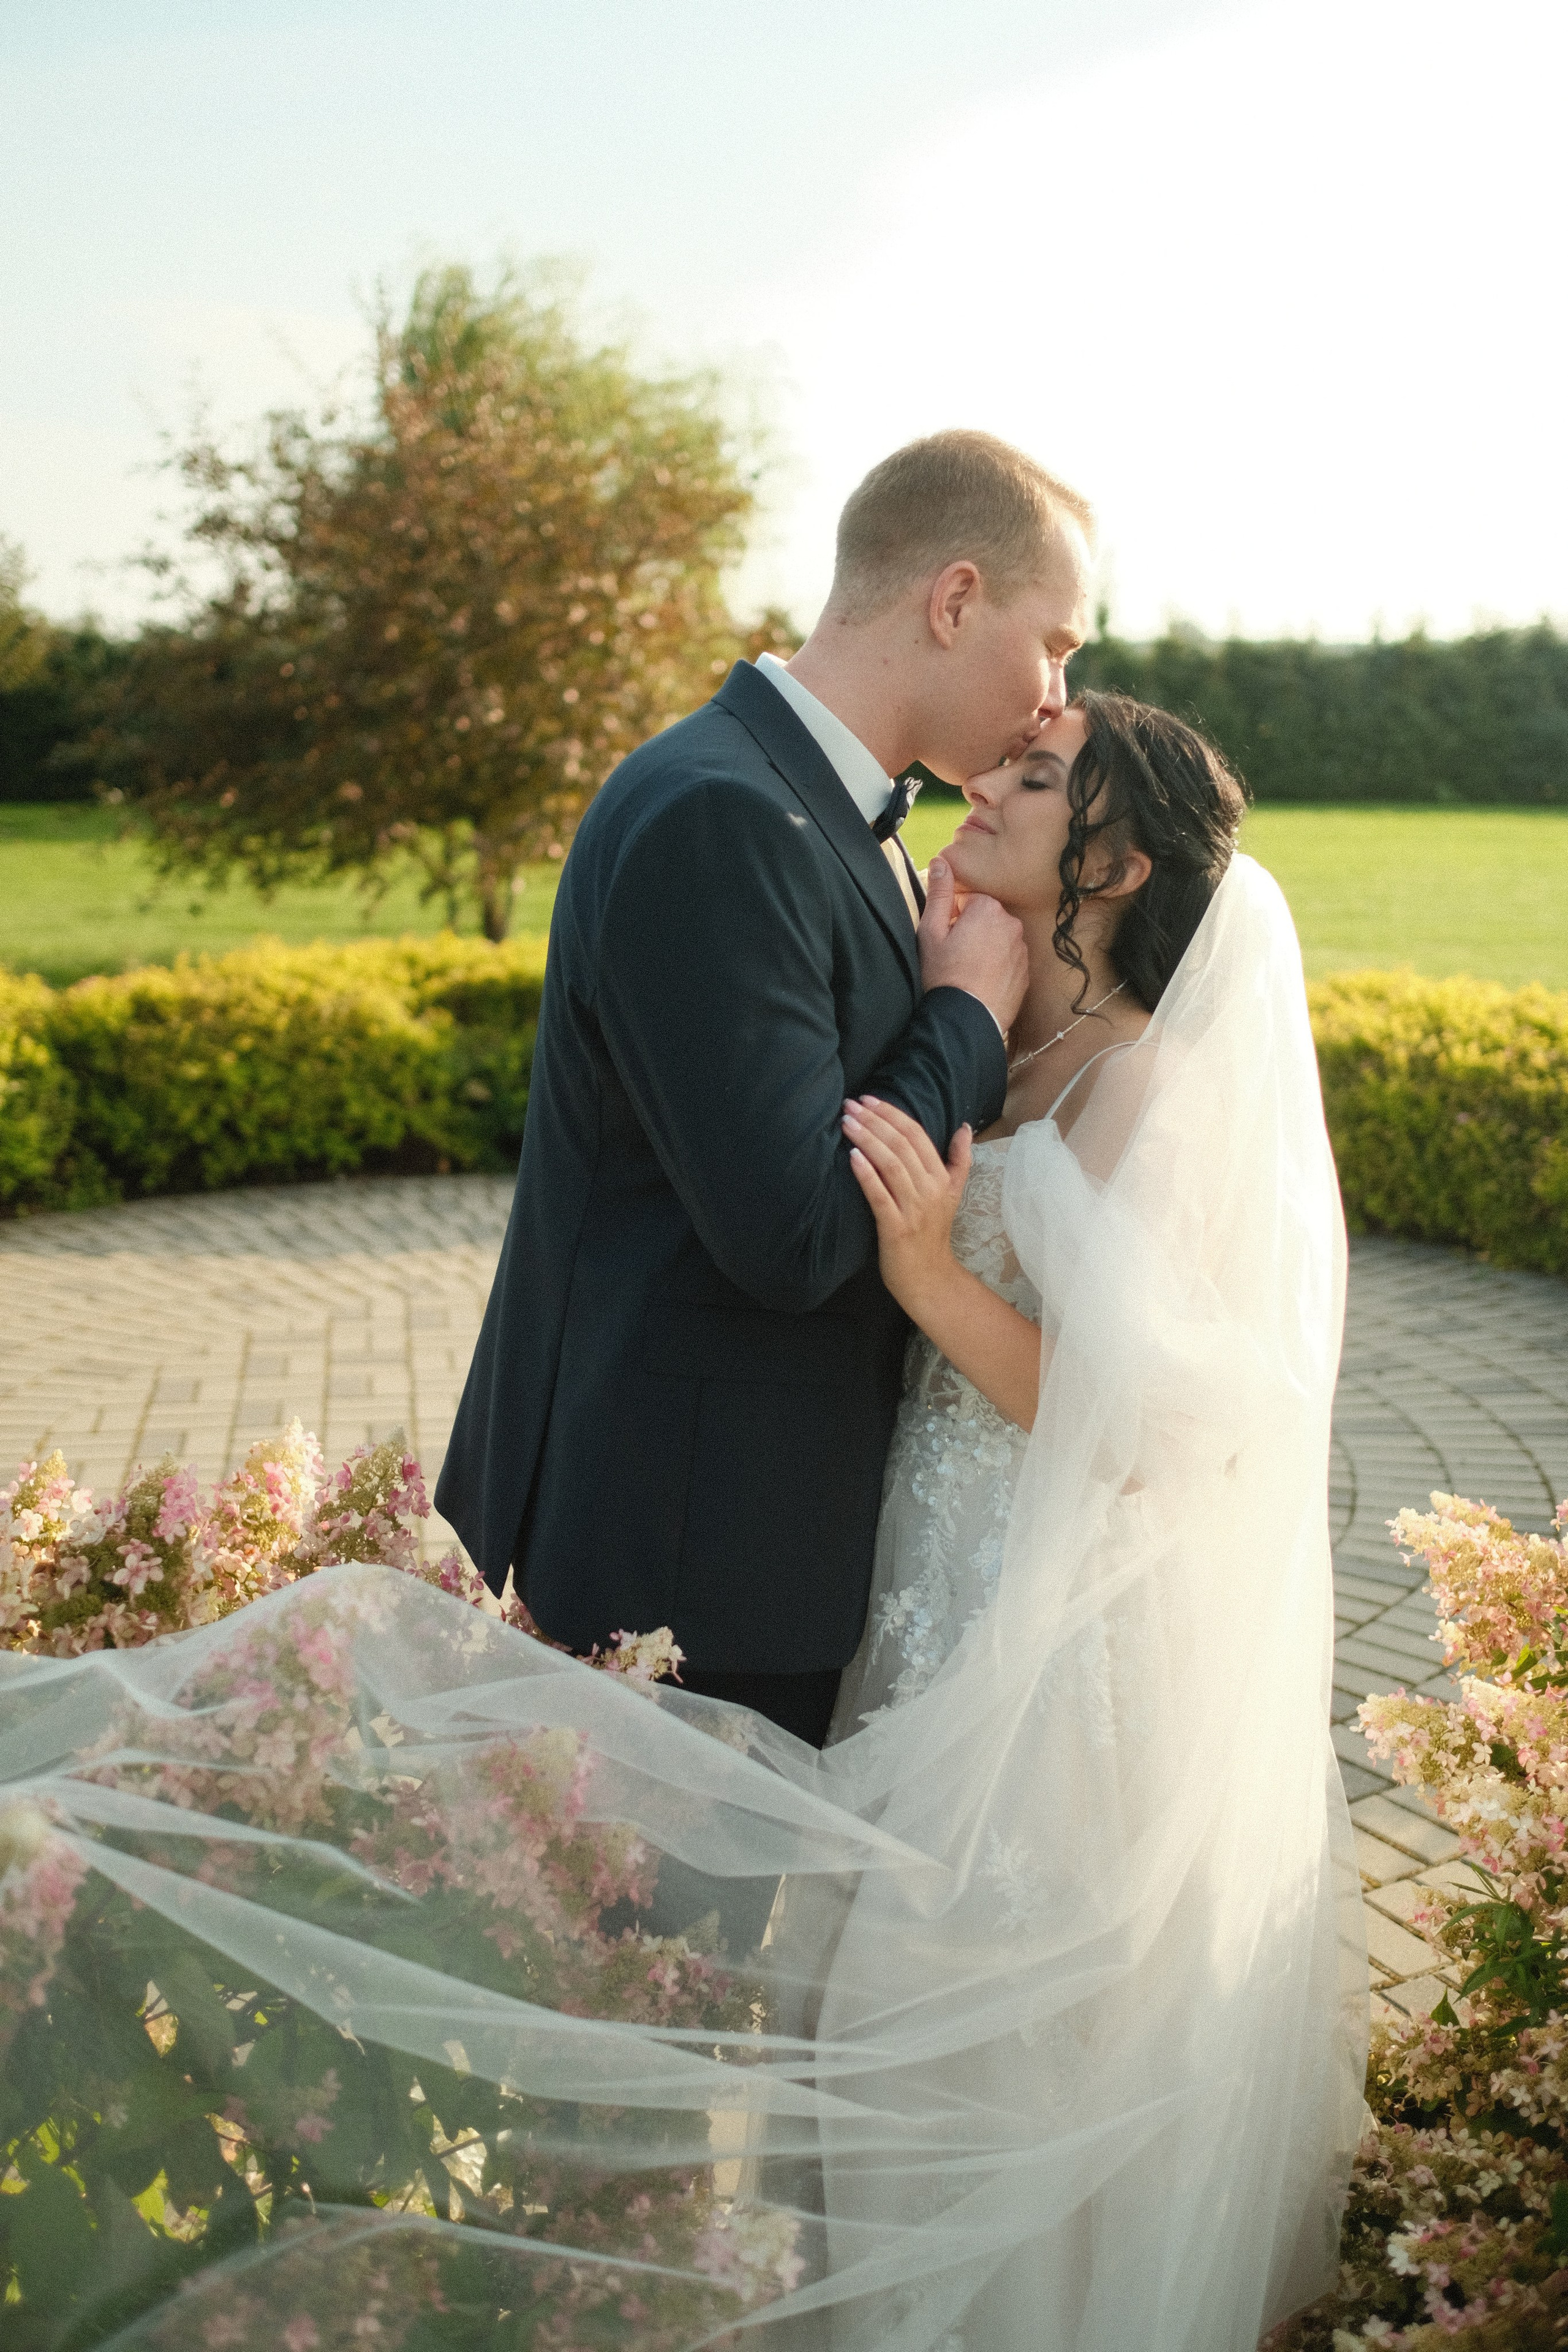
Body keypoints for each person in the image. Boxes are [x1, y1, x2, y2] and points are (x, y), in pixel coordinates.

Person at [7, 683, 1363, 2348]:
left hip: (1052, 1612)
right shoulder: (1002, 1033)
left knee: (996, 1983)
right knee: (866, 1976)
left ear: (1124, 859)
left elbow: (1157, 1431)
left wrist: (930, 1274)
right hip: (923, 1575)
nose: (991, 783)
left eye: (1039, 776)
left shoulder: (1148, 1083)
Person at [435, 429, 1094, 1747]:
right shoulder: (722, 815)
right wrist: (962, 1010)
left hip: (728, 1543)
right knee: (667, 1960)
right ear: (953, 599)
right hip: (686, 1570)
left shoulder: (805, 807)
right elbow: (790, 1232)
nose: (1053, 693)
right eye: (1056, 643)